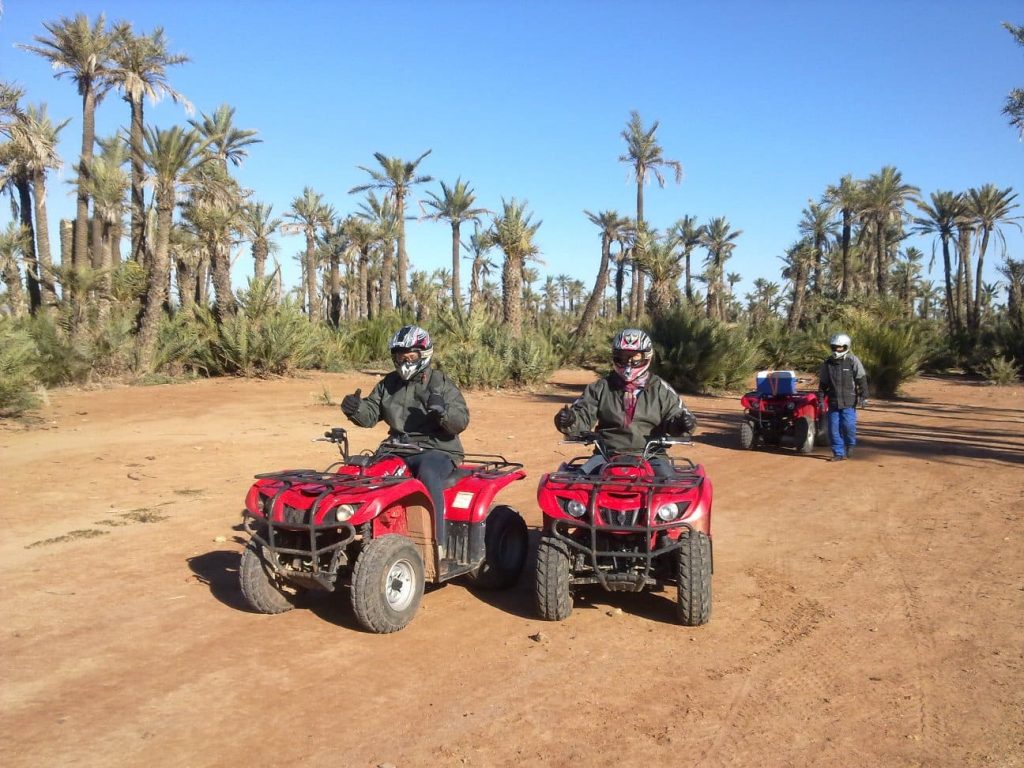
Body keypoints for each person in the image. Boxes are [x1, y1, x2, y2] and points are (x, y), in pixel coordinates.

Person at [341, 324, 469, 562]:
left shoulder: (440, 383)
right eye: (400, 357)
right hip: (397, 448)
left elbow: (460, 421)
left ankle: (436, 544)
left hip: (436, 449)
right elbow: (371, 414)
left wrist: (443, 412)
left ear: (423, 355)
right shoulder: (388, 383)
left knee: (428, 475)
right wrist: (355, 409)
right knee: (363, 473)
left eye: (410, 357)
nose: (405, 362)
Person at [554, 328, 697, 477]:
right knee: (578, 481)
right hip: (606, 454)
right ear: (614, 356)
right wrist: (570, 420)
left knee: (670, 485)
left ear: (646, 356)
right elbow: (582, 414)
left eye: (634, 357)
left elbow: (676, 414)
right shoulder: (600, 387)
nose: (628, 362)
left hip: (652, 456)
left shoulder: (661, 389)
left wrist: (682, 423)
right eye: (622, 357)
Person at [817, 332, 868, 462]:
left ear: (846, 347)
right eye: (835, 347)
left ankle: (850, 444)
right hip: (833, 401)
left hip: (849, 401)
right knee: (833, 428)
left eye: (840, 347)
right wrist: (821, 399)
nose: (837, 349)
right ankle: (838, 453)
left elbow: (861, 378)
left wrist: (864, 396)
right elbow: (823, 383)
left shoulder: (852, 360)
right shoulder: (827, 363)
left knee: (848, 426)